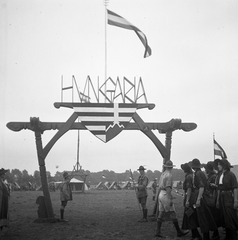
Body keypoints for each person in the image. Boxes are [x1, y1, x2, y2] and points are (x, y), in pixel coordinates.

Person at [155, 160, 188, 238]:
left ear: (165, 166)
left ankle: (157, 232)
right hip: (166, 194)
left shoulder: (162, 174)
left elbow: (160, 186)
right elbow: (168, 187)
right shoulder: (169, 175)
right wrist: (170, 199)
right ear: (171, 167)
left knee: (161, 212)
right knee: (173, 213)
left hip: (161, 194)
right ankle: (179, 232)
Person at [190, 158, 217, 240]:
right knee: (203, 218)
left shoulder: (198, 174)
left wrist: (198, 199)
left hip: (201, 198)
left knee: (203, 218)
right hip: (200, 197)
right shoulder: (198, 173)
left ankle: (206, 237)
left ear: (193, 167)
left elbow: (202, 187)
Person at [216, 159, 238, 239]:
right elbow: (219, 189)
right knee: (225, 218)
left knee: (230, 217)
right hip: (222, 198)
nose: (218, 166)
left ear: (224, 166)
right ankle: (228, 236)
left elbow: (235, 188)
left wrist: (235, 201)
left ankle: (233, 236)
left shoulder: (231, 175)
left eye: (219, 164)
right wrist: (218, 200)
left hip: (229, 198)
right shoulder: (220, 175)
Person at [181, 163, 202, 240]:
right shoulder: (192, 175)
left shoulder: (188, 177)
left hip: (190, 198)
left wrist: (187, 200)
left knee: (190, 215)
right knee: (190, 216)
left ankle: (197, 235)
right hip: (193, 197)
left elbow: (189, 189)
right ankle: (194, 235)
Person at [203, 161, 220, 240]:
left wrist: (212, 185)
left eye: (206, 168)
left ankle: (216, 233)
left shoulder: (213, 176)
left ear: (208, 169)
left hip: (211, 198)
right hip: (208, 198)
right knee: (212, 216)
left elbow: (217, 187)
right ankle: (215, 233)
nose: (205, 170)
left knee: (212, 216)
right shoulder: (209, 176)